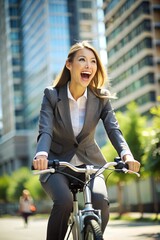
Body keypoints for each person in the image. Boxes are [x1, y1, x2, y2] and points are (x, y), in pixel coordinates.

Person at [33, 41, 140, 240]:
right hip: (56, 164)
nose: (88, 65)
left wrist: (127, 155)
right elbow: (45, 129)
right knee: (64, 201)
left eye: (93, 61)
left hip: (91, 163)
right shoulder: (52, 95)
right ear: (69, 64)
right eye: (82, 60)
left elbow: (113, 129)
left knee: (100, 201)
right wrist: (42, 154)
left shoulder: (101, 98)